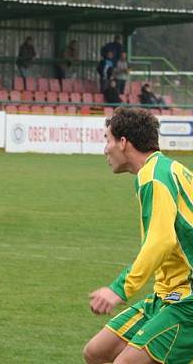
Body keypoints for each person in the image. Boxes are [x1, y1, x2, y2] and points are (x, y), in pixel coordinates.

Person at [83, 108, 193, 364]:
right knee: (96, 352)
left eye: (107, 139)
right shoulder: (169, 168)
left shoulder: (154, 178)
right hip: (166, 295)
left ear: (123, 143)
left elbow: (161, 241)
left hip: (187, 300)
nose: (105, 149)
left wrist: (120, 289)